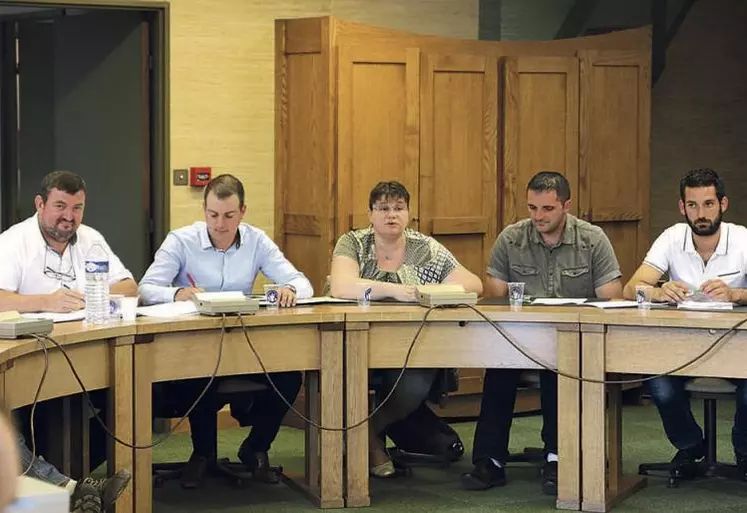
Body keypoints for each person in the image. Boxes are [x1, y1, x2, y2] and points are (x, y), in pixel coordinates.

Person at [139, 173, 312, 489]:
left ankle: (256, 447)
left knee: (289, 377)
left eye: (229, 216)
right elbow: (147, 289)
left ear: (242, 212)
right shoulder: (181, 241)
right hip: (192, 349)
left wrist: (289, 288)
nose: (220, 224)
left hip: (245, 346)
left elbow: (303, 283)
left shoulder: (256, 240)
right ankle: (203, 454)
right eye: (213, 214)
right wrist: (177, 294)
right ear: (204, 210)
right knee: (200, 373)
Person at [462, 171, 622, 495]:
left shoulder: (592, 239)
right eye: (532, 208)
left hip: (571, 340)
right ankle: (489, 460)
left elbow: (613, 295)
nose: (538, 216)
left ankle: (557, 457)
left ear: (566, 205)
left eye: (547, 209)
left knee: (557, 368)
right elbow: (494, 295)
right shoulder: (511, 238)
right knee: (498, 372)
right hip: (517, 337)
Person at [0, 171, 135, 511]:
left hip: (83, 340)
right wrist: (45, 300)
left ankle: (72, 488)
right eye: (60, 206)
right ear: (40, 204)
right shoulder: (15, 241)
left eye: (77, 208)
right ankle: (71, 489)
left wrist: (93, 295)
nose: (69, 217)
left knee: (127, 390)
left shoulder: (90, 239)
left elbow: (130, 288)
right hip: (29, 348)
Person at [329, 180, 482, 477]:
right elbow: (341, 285)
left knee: (414, 384)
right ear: (370, 214)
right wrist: (396, 291)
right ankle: (367, 441)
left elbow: (474, 284)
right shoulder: (354, 242)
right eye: (383, 208)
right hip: (357, 341)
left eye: (399, 208)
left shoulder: (424, 247)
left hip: (412, 343)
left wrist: (431, 289)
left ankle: (366, 432)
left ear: (409, 213)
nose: (391, 215)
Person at [623, 168, 747, 481]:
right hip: (681, 346)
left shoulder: (743, 239)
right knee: (660, 384)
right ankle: (691, 448)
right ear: (682, 208)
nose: (701, 213)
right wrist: (657, 291)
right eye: (692, 205)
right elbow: (630, 288)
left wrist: (735, 293)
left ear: (723, 204)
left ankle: (744, 452)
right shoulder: (671, 237)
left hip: (736, 348)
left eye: (708, 204)